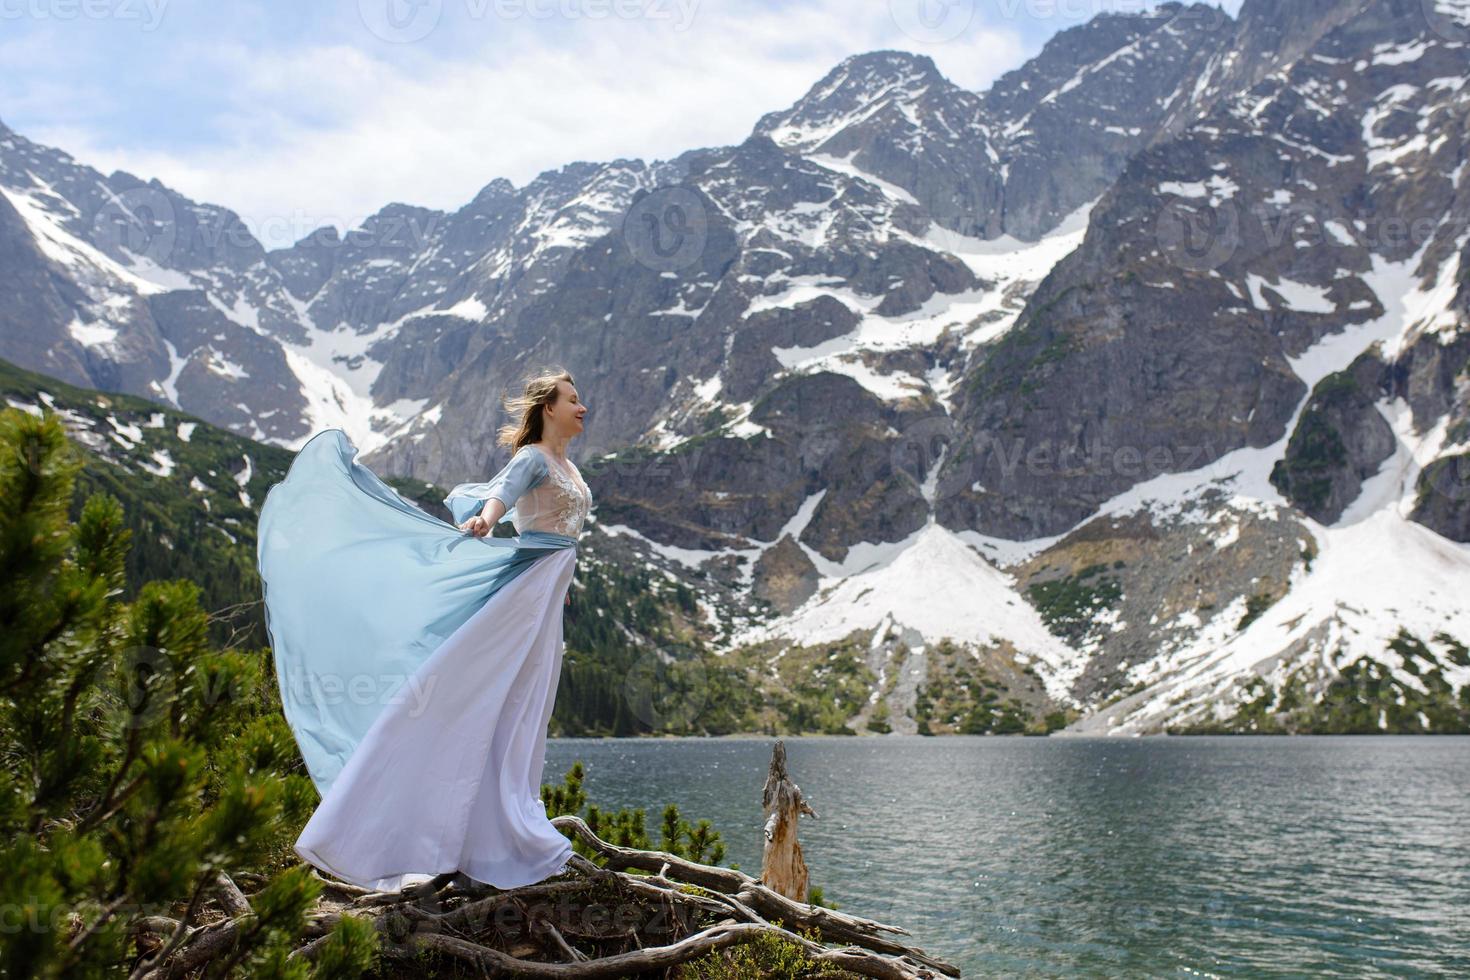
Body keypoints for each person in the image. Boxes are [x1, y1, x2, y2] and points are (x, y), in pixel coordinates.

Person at [255, 368, 592, 891]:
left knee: (523, 707)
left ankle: (496, 832)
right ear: (548, 408)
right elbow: (503, 495)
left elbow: (560, 535)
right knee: (478, 695)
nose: (582, 407)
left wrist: (560, 581)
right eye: (573, 399)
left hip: (546, 595)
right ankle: (373, 828)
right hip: (523, 594)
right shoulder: (532, 459)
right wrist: (486, 519)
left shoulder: (569, 465)